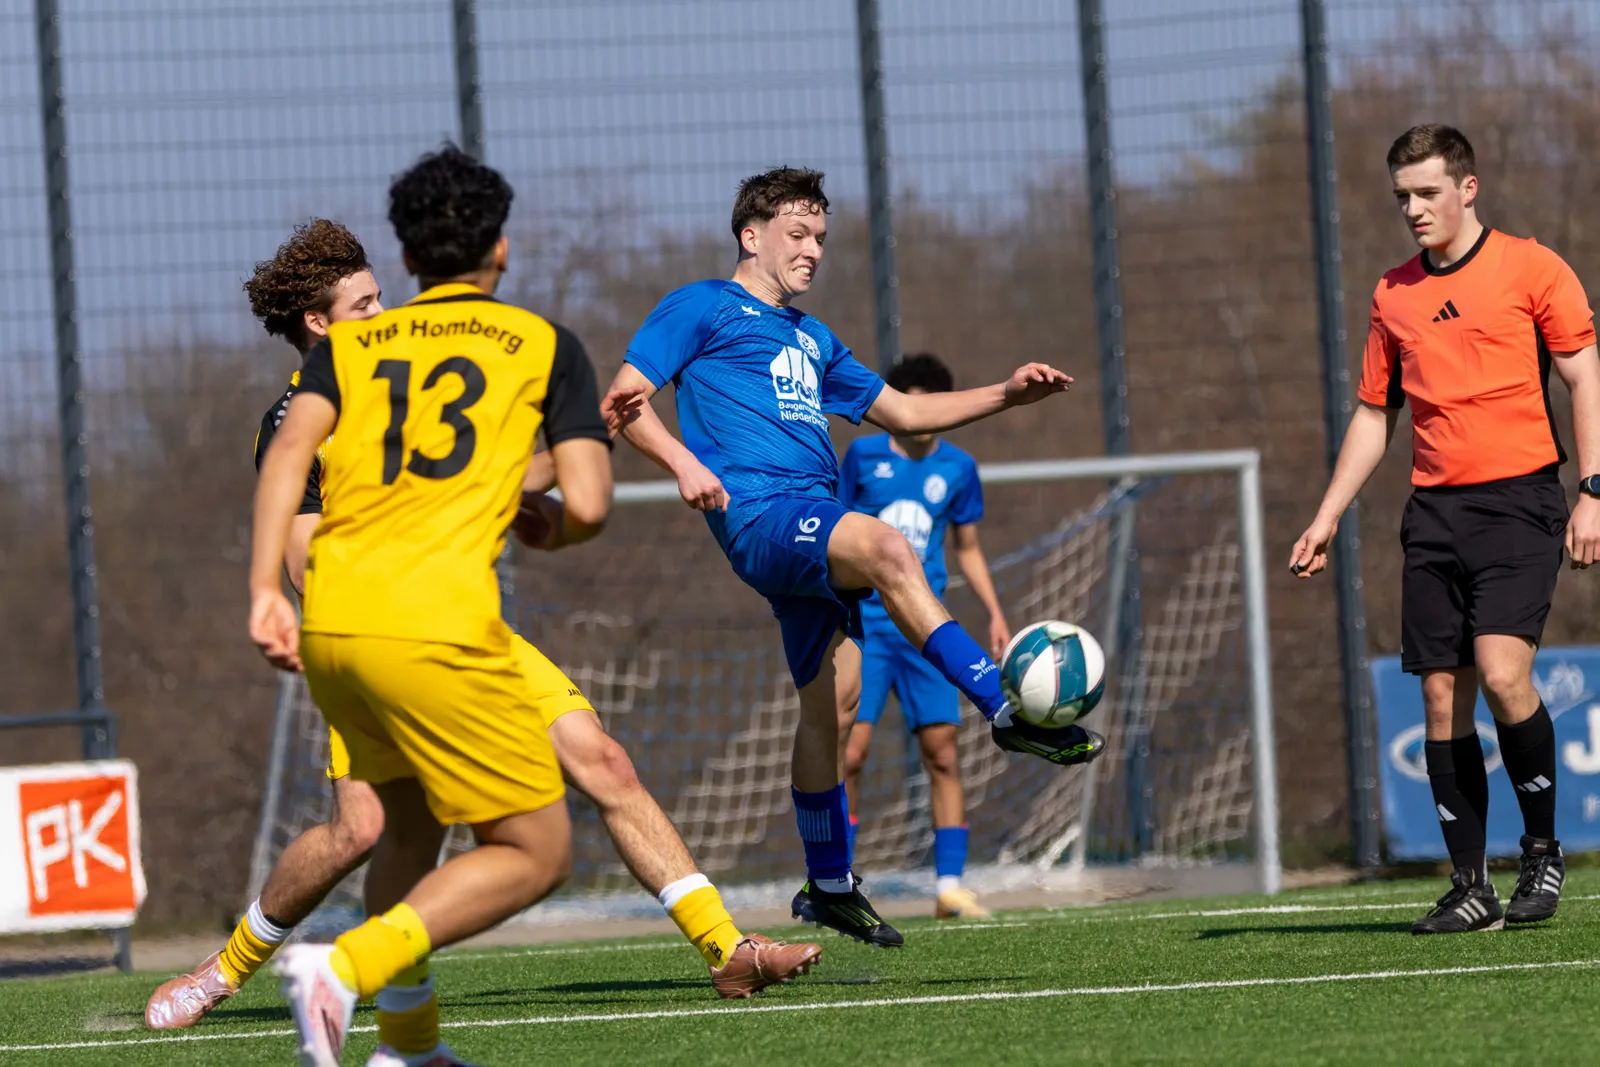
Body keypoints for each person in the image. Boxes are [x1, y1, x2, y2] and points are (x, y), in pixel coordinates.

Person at [601, 166, 1103, 950]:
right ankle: (1003, 710)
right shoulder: (702, 305)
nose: (813, 250)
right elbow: (624, 399)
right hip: (761, 512)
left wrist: (1006, 393)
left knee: (831, 705)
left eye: (822, 238)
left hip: (807, 521)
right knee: (886, 543)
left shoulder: (813, 338)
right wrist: (682, 463)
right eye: (797, 234)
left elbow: (905, 411)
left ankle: (830, 882)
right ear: (751, 235)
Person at [1291, 124, 1600, 934]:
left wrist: (1593, 489)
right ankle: (1470, 885)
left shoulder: (1531, 267)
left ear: (1468, 188)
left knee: (1502, 672)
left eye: (1428, 192)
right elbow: (1374, 415)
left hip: (1521, 501)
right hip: (1434, 514)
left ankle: (1542, 850)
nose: (1414, 209)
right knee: (1438, 696)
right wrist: (1327, 514)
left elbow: (1582, 373)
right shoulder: (1393, 295)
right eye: (1403, 197)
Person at [838, 353, 1009, 920]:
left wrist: (994, 612)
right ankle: (838, 881)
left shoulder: (958, 467)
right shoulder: (863, 456)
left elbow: (968, 548)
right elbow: (837, 530)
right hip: (865, 624)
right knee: (850, 753)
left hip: (926, 629)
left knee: (942, 752)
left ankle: (950, 887)